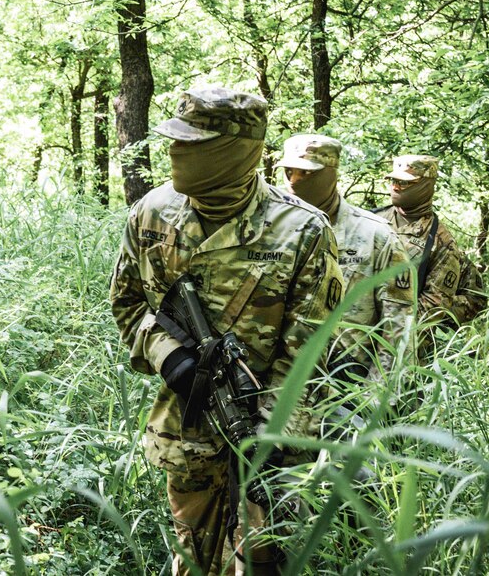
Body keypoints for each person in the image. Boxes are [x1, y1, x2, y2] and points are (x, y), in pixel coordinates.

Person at [109, 87, 344, 575]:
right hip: (188, 428)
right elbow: (127, 301)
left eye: (192, 143)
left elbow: (312, 350)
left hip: (270, 436)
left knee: (261, 561)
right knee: (191, 555)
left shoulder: (301, 230)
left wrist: (270, 432)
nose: (176, 153)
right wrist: (168, 354)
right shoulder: (152, 213)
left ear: (238, 151)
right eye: (175, 141)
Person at [274, 134, 413, 386]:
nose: (294, 181)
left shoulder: (375, 236)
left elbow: (399, 325)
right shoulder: (268, 230)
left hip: (346, 387)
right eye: (289, 172)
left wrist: (374, 397)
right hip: (276, 385)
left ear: (330, 173)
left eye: (306, 174)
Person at [374, 155, 486, 360]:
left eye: (405, 183)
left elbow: (433, 307)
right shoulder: (373, 219)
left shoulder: (440, 242)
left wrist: (387, 340)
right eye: (394, 181)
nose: (396, 187)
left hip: (397, 346)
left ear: (424, 186)